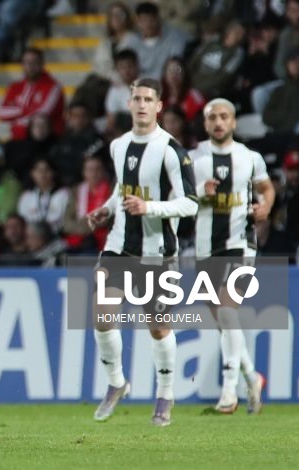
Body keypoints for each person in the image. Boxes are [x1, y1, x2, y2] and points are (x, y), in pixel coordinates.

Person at [87, 77, 198, 427]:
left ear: (159, 106)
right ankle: (116, 382)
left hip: (158, 250)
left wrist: (149, 208)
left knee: (158, 327)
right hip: (119, 244)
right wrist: (107, 208)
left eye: (148, 99)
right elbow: (123, 188)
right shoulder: (119, 145)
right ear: (129, 102)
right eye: (136, 98)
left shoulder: (170, 149)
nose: (141, 104)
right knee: (102, 314)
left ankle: (165, 394)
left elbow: (191, 203)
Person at [190, 98, 273, 414]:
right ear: (205, 123)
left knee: (226, 307)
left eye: (225, 116)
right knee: (222, 318)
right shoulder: (194, 158)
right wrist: (199, 193)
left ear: (234, 122)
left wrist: (265, 206)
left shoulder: (249, 157)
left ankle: (228, 392)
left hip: (241, 241)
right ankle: (252, 377)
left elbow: (266, 189)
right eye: (213, 117)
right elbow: (177, 198)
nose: (219, 122)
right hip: (205, 245)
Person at [0, 47, 65, 140]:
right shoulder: (15, 87)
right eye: (27, 63)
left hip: (46, 142)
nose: (30, 66)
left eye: (34, 62)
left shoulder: (53, 87)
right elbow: (2, 113)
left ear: (42, 64)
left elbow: (42, 113)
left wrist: (17, 118)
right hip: (18, 140)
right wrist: (26, 110)